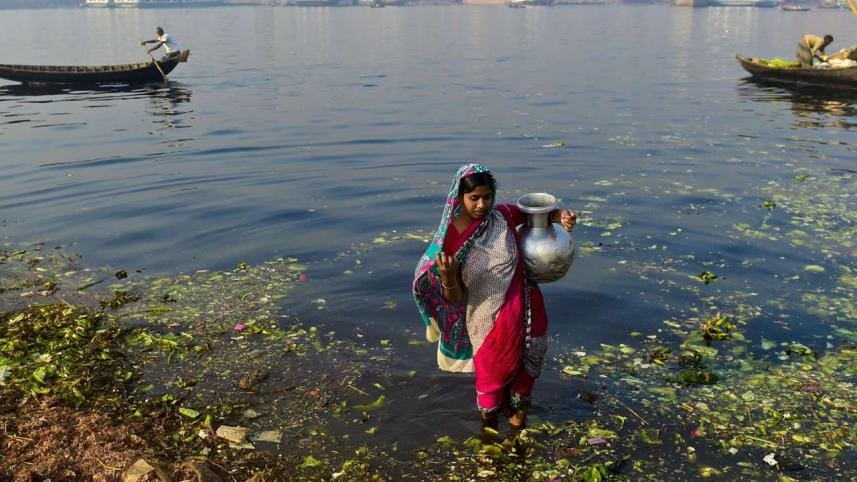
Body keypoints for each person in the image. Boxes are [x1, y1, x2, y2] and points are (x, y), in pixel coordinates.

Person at [412, 164, 576, 434]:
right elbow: (456, 298)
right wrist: (449, 277)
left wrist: (562, 217)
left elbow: (536, 214)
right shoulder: (450, 242)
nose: (481, 205)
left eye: (487, 197)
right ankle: (489, 433)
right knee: (492, 384)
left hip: (529, 309)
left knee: (526, 376)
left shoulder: (502, 216)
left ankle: (516, 430)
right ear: (459, 197)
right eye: (474, 198)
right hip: (488, 322)